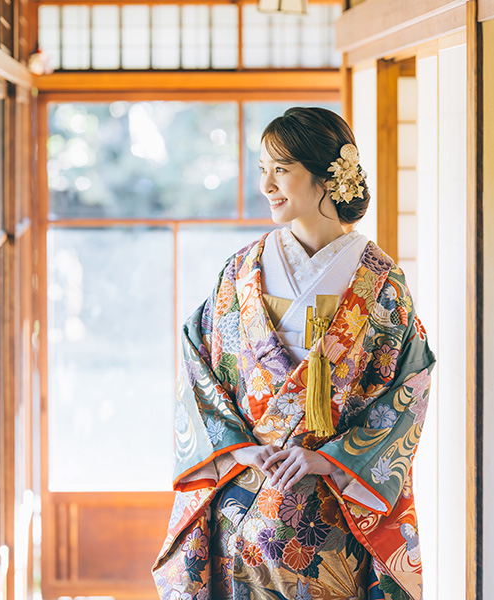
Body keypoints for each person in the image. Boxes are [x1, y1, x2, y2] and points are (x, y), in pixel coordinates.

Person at [152, 107, 435, 600]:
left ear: (328, 175)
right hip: (242, 504)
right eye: (262, 168)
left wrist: (328, 461)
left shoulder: (381, 284)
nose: (266, 185)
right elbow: (198, 366)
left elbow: (407, 389)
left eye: (280, 169)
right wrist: (239, 447)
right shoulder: (240, 272)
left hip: (328, 517)